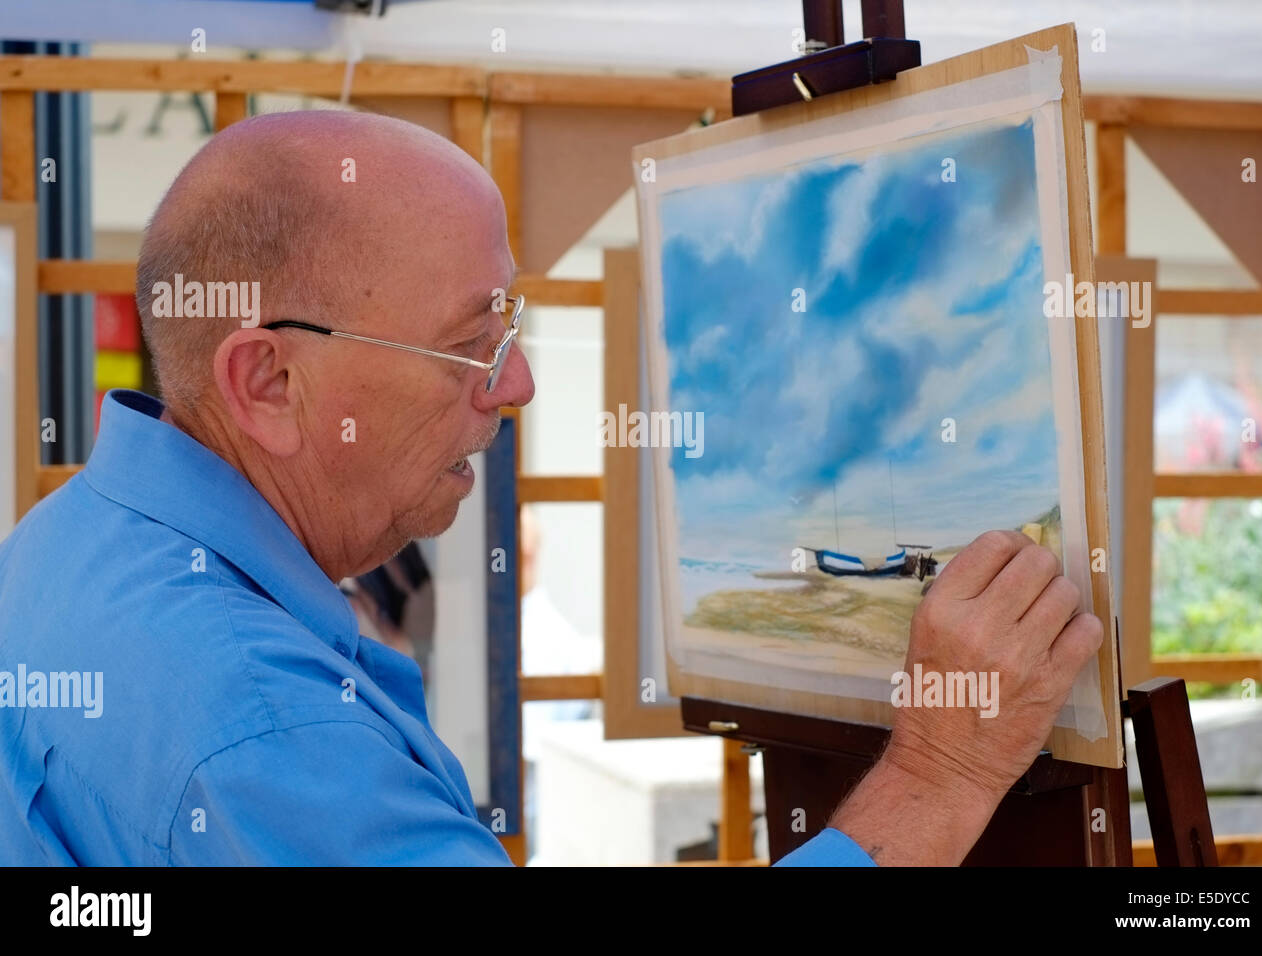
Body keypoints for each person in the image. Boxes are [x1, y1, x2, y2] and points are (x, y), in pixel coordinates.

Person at [0, 111, 1100, 865]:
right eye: (473, 340)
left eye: (511, 325)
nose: (515, 382)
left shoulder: (66, 542)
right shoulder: (259, 732)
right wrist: (944, 768)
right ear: (271, 381)